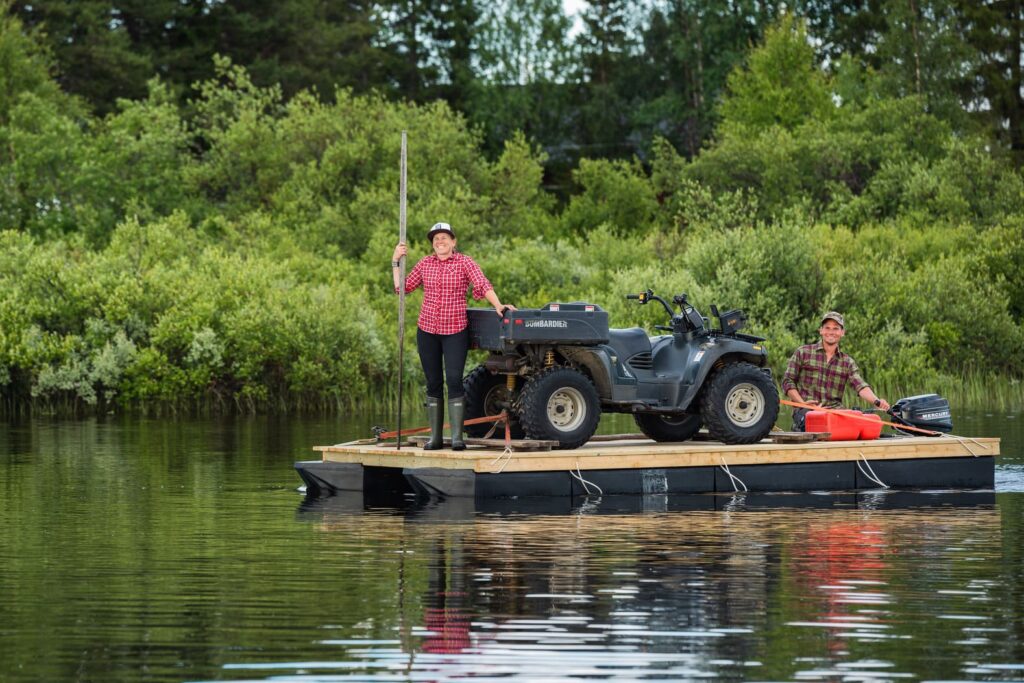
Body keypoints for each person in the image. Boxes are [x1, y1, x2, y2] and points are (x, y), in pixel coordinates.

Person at [392, 222, 515, 450]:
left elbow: (482, 283)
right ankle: (435, 439)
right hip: (427, 330)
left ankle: (458, 438)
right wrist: (395, 262)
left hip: (455, 330)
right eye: (436, 239)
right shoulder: (425, 263)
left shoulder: (464, 262)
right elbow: (402, 289)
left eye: (444, 238)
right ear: (433, 243)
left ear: (453, 241)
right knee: (433, 383)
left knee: (455, 381)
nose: (440, 242)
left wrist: (498, 304)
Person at [781, 311, 890, 431]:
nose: (831, 332)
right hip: (806, 412)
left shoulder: (847, 361)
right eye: (827, 328)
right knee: (812, 423)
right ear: (821, 330)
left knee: (862, 423)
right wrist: (802, 404)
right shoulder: (803, 352)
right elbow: (788, 381)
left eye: (835, 328)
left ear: (842, 333)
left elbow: (861, 386)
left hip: (836, 413)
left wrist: (877, 401)